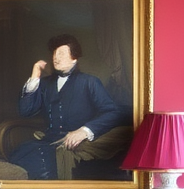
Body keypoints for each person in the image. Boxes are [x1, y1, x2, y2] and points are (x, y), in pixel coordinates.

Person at [9, 34, 129, 180]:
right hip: (48, 141)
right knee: (20, 159)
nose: (56, 57)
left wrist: (84, 131)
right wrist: (35, 77)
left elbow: (112, 112)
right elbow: (25, 111)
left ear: (74, 58)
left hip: (77, 143)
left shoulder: (89, 82)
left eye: (61, 53)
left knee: (45, 170)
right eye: (54, 53)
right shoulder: (46, 84)